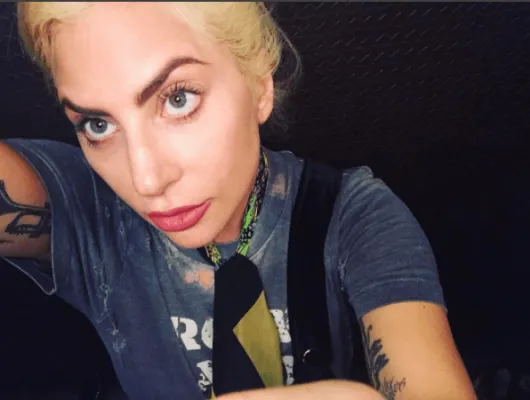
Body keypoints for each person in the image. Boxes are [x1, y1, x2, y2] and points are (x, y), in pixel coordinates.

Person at [0, 2, 476, 399]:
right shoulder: (92, 219)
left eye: (179, 99)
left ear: (258, 85)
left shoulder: (353, 216)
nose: (146, 179)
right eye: (98, 125)